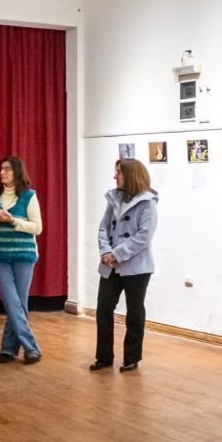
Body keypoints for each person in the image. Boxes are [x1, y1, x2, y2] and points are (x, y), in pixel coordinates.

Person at [90, 159, 160, 373]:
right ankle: (104, 357)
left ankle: (131, 357)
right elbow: (103, 228)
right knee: (103, 309)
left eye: (118, 172)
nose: (115, 176)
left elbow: (143, 237)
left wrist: (117, 254)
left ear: (131, 175)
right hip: (110, 264)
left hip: (137, 267)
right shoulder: (114, 198)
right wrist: (105, 252)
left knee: (134, 312)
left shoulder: (148, 203)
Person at [0, 155, 43, 364]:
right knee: (12, 302)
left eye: (7, 168)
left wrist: (13, 220)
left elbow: (37, 227)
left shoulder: (29, 196)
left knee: (18, 303)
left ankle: (8, 349)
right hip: (1, 256)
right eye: (1, 169)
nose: (2, 172)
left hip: (24, 256)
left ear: (17, 171)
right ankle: (31, 348)